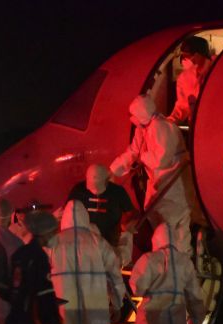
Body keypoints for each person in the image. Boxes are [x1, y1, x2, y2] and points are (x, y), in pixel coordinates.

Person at [48, 200, 126, 324]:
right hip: (95, 309)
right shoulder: (97, 242)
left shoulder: (53, 243)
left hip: (63, 310)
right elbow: (115, 274)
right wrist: (117, 302)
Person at [110, 94, 194, 255]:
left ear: (141, 114)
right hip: (160, 187)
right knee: (162, 227)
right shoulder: (144, 128)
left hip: (174, 189)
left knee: (175, 230)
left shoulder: (161, 127)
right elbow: (134, 150)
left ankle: (179, 264)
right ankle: (166, 263)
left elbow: (161, 159)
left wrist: (143, 157)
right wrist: (114, 170)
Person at [128, 223, 206, 324]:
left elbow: (137, 287)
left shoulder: (149, 259)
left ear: (155, 240)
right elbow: (196, 299)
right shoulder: (185, 263)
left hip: (152, 320)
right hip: (177, 322)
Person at [2, 210, 69, 324]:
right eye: (54, 231)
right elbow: (46, 299)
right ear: (45, 233)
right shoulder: (39, 258)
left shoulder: (20, 254)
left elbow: (9, 289)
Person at [67, 164, 137, 265]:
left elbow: (132, 213)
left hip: (111, 241)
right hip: (85, 244)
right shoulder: (78, 191)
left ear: (106, 180)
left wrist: (129, 223)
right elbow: (68, 213)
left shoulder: (117, 192)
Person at [167, 36, 213, 126]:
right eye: (183, 56)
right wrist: (170, 121)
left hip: (215, 122)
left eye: (187, 56)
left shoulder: (218, 69)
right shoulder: (184, 78)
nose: (185, 60)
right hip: (196, 126)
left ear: (199, 54)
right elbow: (182, 106)